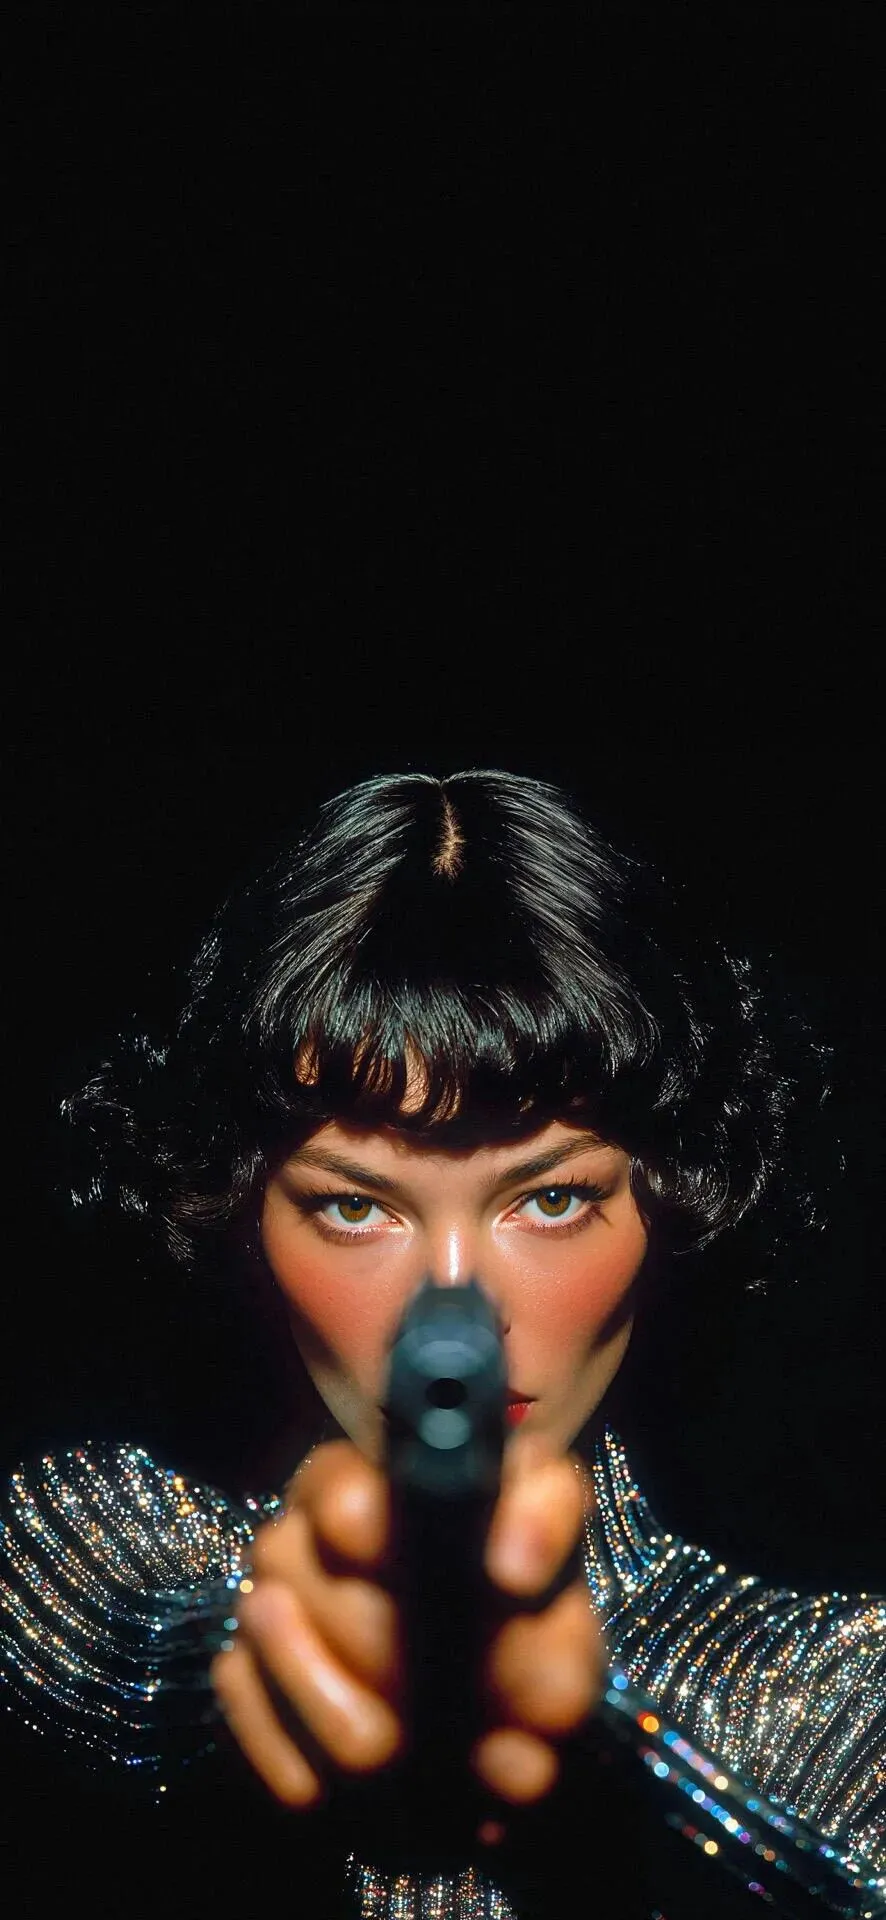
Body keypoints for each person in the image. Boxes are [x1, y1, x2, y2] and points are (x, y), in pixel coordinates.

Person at [1, 770, 882, 1920]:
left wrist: (601, 1767)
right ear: (249, 1212)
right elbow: (123, 1644)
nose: (455, 1307)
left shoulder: (836, 1691)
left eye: (550, 1200)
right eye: (354, 1206)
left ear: (663, 1199)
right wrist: (269, 1651)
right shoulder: (94, 1537)